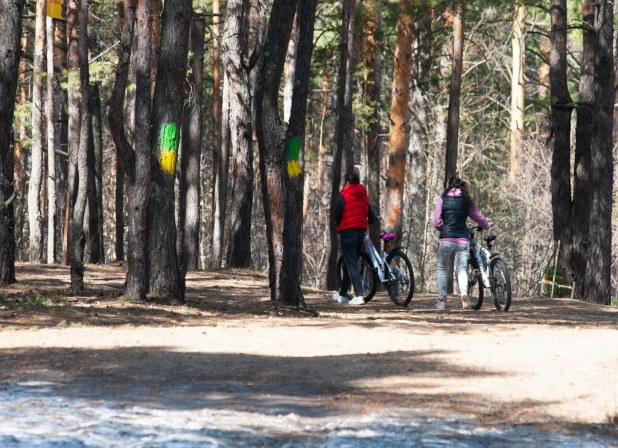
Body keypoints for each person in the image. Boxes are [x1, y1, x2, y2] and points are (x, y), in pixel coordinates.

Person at [433, 176, 490, 310]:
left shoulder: (442, 200)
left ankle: (441, 301)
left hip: (446, 239)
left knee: (442, 269)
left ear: (448, 185)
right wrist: (487, 225)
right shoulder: (466, 201)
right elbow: (477, 216)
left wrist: (444, 229)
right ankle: (464, 294)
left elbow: (436, 222)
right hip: (463, 240)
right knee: (461, 269)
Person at [332, 172, 380, 305]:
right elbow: (371, 215)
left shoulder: (343, 195)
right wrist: (369, 221)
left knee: (351, 264)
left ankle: (359, 295)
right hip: (360, 234)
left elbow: (337, 213)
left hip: (347, 234)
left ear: (347, 182)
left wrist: (340, 225)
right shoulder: (365, 196)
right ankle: (342, 295)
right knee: (350, 263)